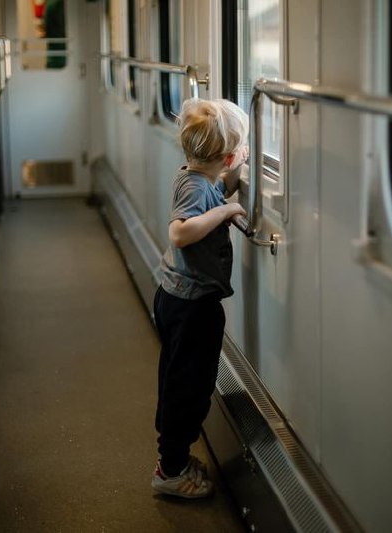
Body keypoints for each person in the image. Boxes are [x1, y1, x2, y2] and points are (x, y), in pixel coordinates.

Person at [151, 98, 248, 499]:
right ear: (227, 157)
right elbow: (181, 231)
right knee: (187, 389)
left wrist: (234, 180)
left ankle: (172, 458)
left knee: (184, 382)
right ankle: (170, 471)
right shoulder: (194, 186)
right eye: (242, 150)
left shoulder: (199, 177)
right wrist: (226, 213)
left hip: (181, 299)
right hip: (190, 307)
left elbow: (215, 188)